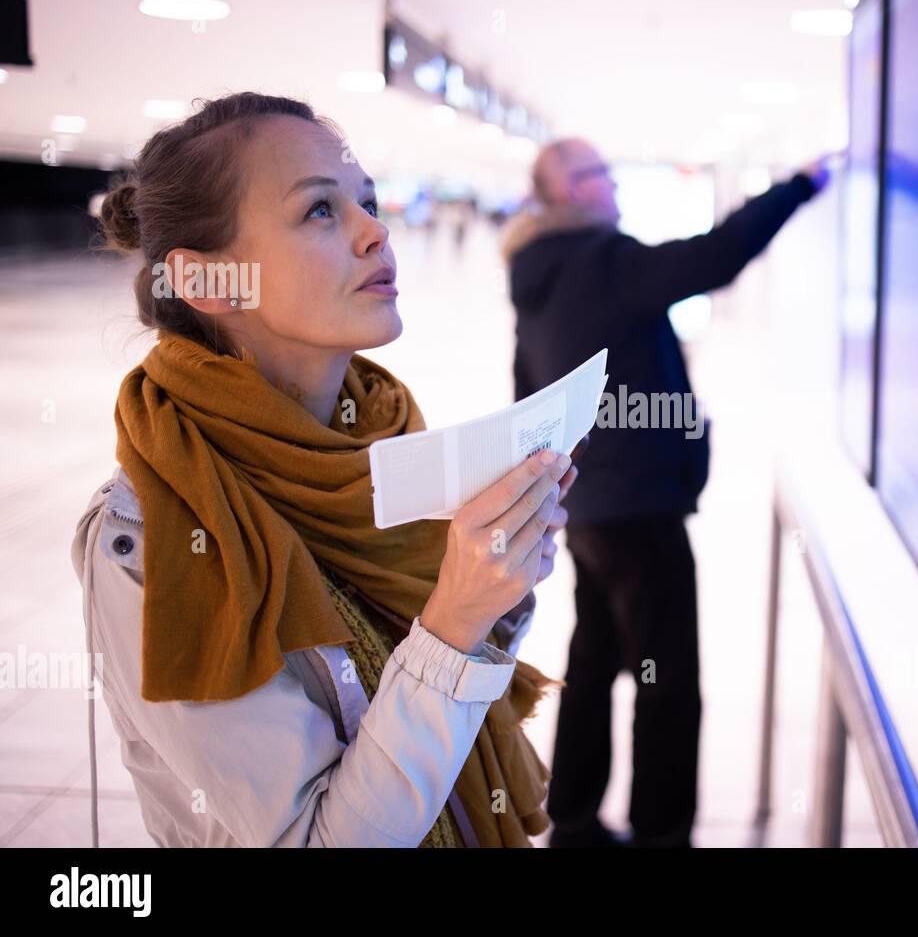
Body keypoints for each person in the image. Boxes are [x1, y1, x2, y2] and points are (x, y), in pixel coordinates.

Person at [71, 91, 578, 848]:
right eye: (320, 211)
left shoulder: (380, 443)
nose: (377, 232)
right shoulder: (154, 537)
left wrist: (501, 585)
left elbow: (447, 661)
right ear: (210, 283)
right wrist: (456, 622)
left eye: (367, 203)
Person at [501, 137, 829, 846]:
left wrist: (552, 491)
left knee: (594, 659)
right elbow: (717, 255)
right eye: (594, 173)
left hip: (589, 506)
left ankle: (575, 816)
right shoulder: (602, 260)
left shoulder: (538, 275)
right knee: (667, 678)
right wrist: (799, 184)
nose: (609, 182)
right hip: (639, 511)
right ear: (565, 194)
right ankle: (662, 832)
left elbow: (526, 386)